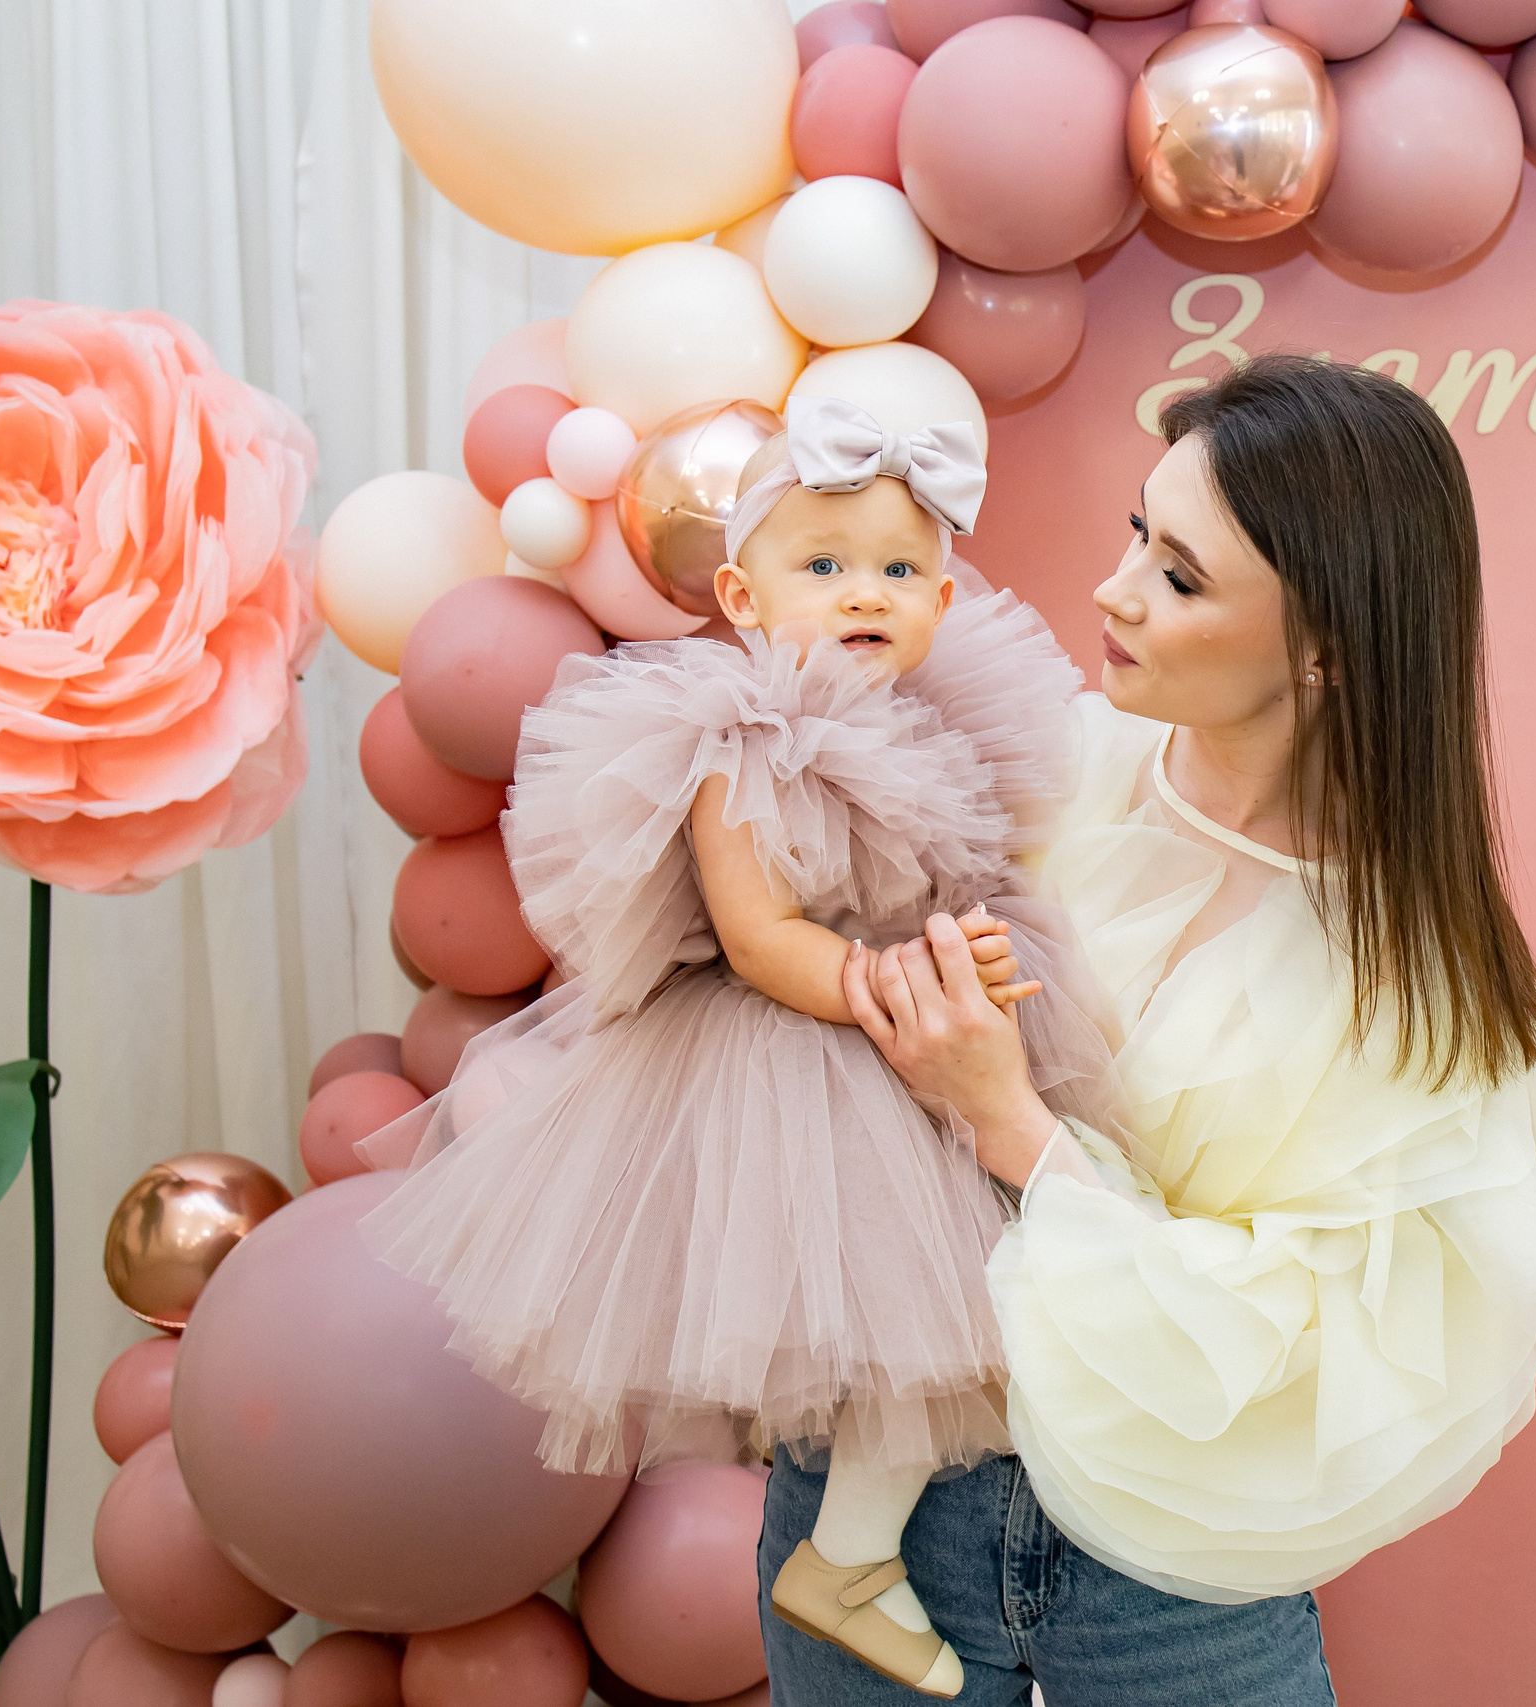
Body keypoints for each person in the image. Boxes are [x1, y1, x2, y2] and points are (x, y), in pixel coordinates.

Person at [767, 353, 1536, 1702]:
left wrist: (1008, 1119)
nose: (1115, 591)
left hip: (1170, 1572)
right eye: (1136, 533)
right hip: (880, 1514)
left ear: (1326, 647)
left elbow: (1325, 1346)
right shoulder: (1022, 768)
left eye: (1182, 578)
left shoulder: (1416, 979)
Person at [361, 396, 1118, 1698]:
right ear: (742, 595)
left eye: (900, 571)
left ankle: (854, 1555)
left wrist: (969, 959)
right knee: (914, 1320)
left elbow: (951, 888)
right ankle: (851, 1559)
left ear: (941, 600)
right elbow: (760, 934)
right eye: (823, 565)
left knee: (975, 1315)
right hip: (805, 1057)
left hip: (912, 1039)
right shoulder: (742, 740)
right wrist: (886, 979)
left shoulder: (941, 728)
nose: (865, 592)